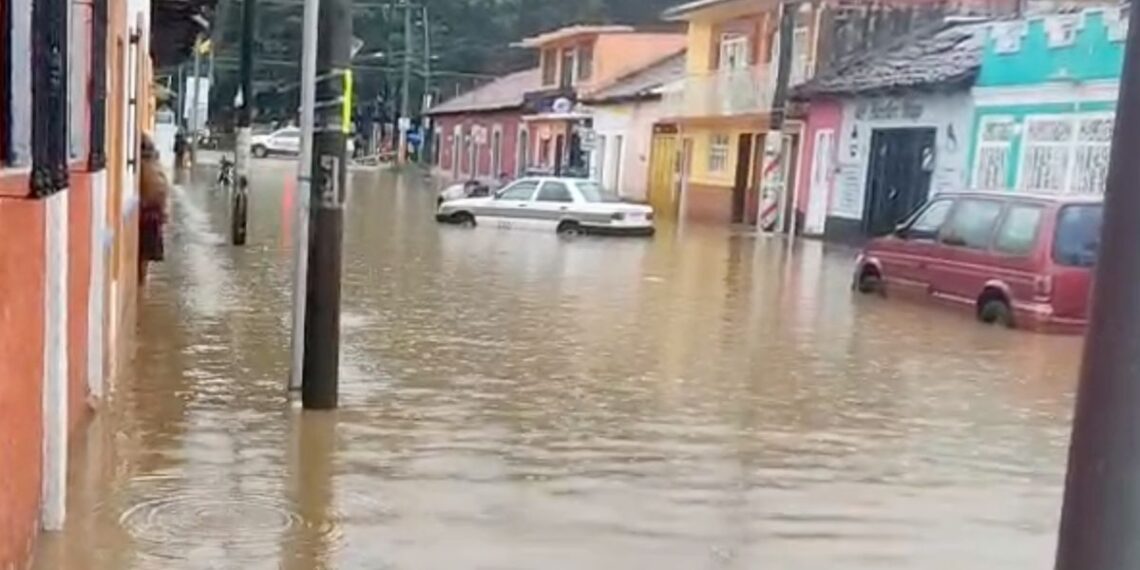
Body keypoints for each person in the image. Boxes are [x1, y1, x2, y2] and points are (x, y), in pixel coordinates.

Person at [139, 134, 170, 284]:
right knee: (146, 255)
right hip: (156, 213)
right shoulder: (156, 165)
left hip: (147, 214)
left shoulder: (143, 166)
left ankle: (141, 286)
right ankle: (142, 286)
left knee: (144, 254)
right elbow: (163, 189)